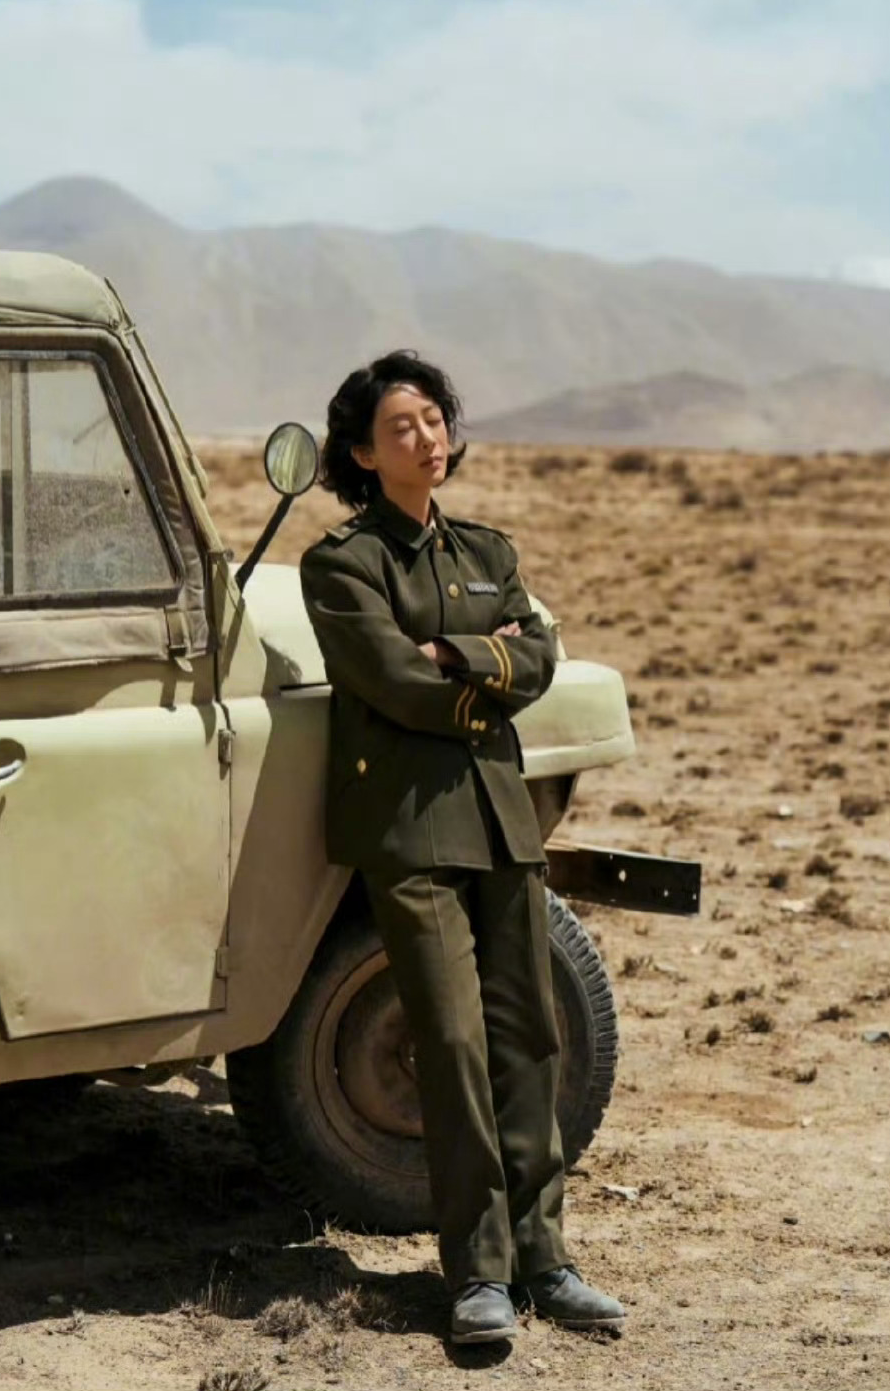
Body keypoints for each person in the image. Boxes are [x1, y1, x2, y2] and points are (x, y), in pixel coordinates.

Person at [299, 350, 626, 1347]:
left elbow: (541, 655)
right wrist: (487, 670)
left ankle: (546, 1260)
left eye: (434, 419)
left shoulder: (488, 549)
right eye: (400, 427)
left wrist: (457, 654)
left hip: (498, 816)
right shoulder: (343, 564)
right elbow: (396, 682)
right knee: (450, 1042)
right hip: (411, 827)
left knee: (529, 1036)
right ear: (363, 453)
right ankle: (478, 1274)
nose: (426, 438)